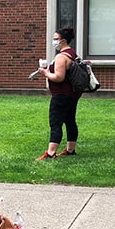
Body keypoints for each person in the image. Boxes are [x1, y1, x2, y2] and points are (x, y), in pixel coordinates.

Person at [32, 26, 82, 160]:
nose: (53, 42)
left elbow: (59, 77)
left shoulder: (61, 57)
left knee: (55, 122)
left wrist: (45, 73)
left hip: (61, 95)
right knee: (70, 120)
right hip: (73, 94)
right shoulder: (73, 54)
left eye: (56, 39)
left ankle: (50, 153)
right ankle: (70, 150)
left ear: (63, 41)